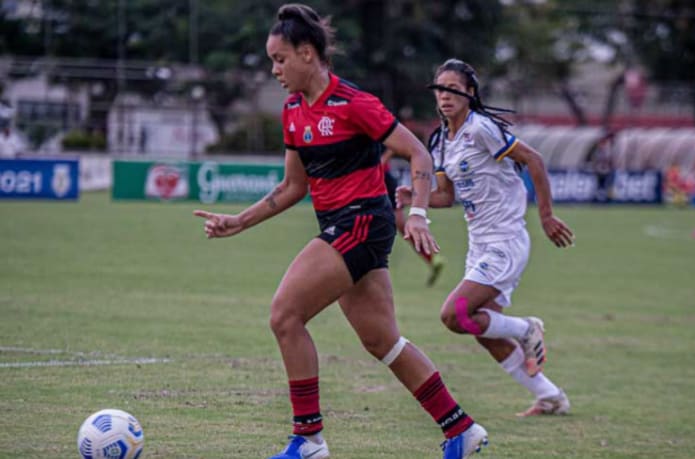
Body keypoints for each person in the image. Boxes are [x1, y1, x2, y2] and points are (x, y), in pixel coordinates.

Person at [193, 6, 487, 459]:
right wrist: (239, 222)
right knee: (381, 341)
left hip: (363, 222)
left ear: (307, 54)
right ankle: (460, 429)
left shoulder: (354, 103)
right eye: (271, 61)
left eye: (280, 59)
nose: (275, 70)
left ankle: (308, 439)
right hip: (340, 225)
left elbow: (419, 157)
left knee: (284, 315)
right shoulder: (292, 112)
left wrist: (419, 214)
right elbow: (294, 187)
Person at [397, 58, 574, 417]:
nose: (445, 96)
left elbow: (535, 160)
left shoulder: (481, 129)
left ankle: (527, 328)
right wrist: (414, 199)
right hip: (479, 244)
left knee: (455, 314)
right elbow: (446, 196)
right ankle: (551, 396)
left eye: (453, 89)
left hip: (505, 240)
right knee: (480, 329)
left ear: (470, 94)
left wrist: (546, 215)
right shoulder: (441, 141)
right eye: (440, 89)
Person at [382, 147, 445, 286]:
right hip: (373, 179)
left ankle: (431, 257)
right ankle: (432, 258)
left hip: (381, 178)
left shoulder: (380, 127)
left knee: (402, 225)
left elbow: (394, 141)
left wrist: (381, 161)